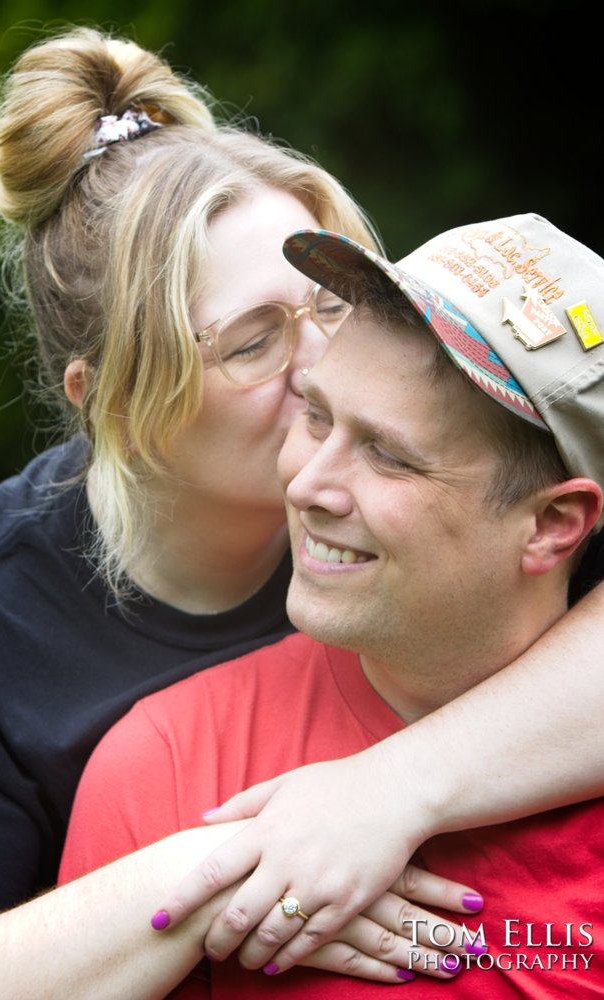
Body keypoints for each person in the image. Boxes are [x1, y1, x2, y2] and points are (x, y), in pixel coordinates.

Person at [0, 19, 603, 997]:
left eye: (329, 303)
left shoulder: (481, 471)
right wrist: (219, 874)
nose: (322, 362)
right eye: (253, 342)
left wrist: (383, 792)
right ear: (110, 402)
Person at [58, 212, 604, 998]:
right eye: (316, 416)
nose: (307, 484)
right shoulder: (168, 765)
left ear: (552, 525)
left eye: (387, 455)